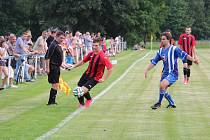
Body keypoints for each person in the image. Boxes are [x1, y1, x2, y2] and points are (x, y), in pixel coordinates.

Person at [144, 32, 199, 110]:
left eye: (163, 39)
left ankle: (159, 103)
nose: (162, 41)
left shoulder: (174, 49)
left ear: (168, 40)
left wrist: (194, 60)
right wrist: (146, 70)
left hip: (173, 73)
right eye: (161, 39)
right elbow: (154, 62)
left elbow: (185, 55)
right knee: (162, 88)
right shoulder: (160, 51)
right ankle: (171, 103)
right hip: (165, 73)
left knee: (162, 85)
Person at [69, 37, 113, 108]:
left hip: (95, 78)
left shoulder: (103, 56)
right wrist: (73, 66)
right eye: (93, 45)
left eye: (96, 46)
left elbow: (110, 68)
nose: (94, 47)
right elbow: (83, 61)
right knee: (79, 88)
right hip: (86, 74)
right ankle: (82, 103)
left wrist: (104, 79)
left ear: (100, 45)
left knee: (80, 90)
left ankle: (88, 100)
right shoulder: (91, 53)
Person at [45, 30, 66, 105]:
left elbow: (58, 57)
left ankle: (52, 101)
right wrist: (47, 68)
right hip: (53, 67)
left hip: (57, 67)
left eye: (63, 38)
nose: (62, 39)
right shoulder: (53, 45)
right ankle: (51, 101)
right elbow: (47, 57)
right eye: (61, 38)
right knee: (55, 84)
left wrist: (63, 65)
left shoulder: (57, 44)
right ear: (56, 36)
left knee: (56, 83)